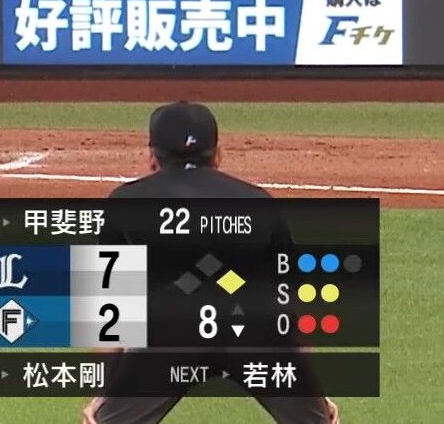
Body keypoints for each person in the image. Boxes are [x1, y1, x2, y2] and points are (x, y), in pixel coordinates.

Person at [83, 101, 341, 424]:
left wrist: (103, 396)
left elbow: (109, 314)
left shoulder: (125, 202)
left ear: (152, 156)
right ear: (218, 155)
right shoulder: (257, 201)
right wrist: (314, 396)